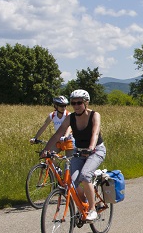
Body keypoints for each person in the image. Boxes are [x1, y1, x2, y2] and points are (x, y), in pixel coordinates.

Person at [42, 89, 105, 221]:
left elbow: (95, 133)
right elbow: (58, 134)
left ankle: (92, 209)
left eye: (79, 103)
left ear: (86, 103)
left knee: (85, 175)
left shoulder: (94, 115)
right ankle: (84, 207)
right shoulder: (70, 118)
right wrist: (46, 150)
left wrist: (91, 147)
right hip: (79, 152)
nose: (76, 106)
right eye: (73, 103)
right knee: (71, 182)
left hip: (96, 151)